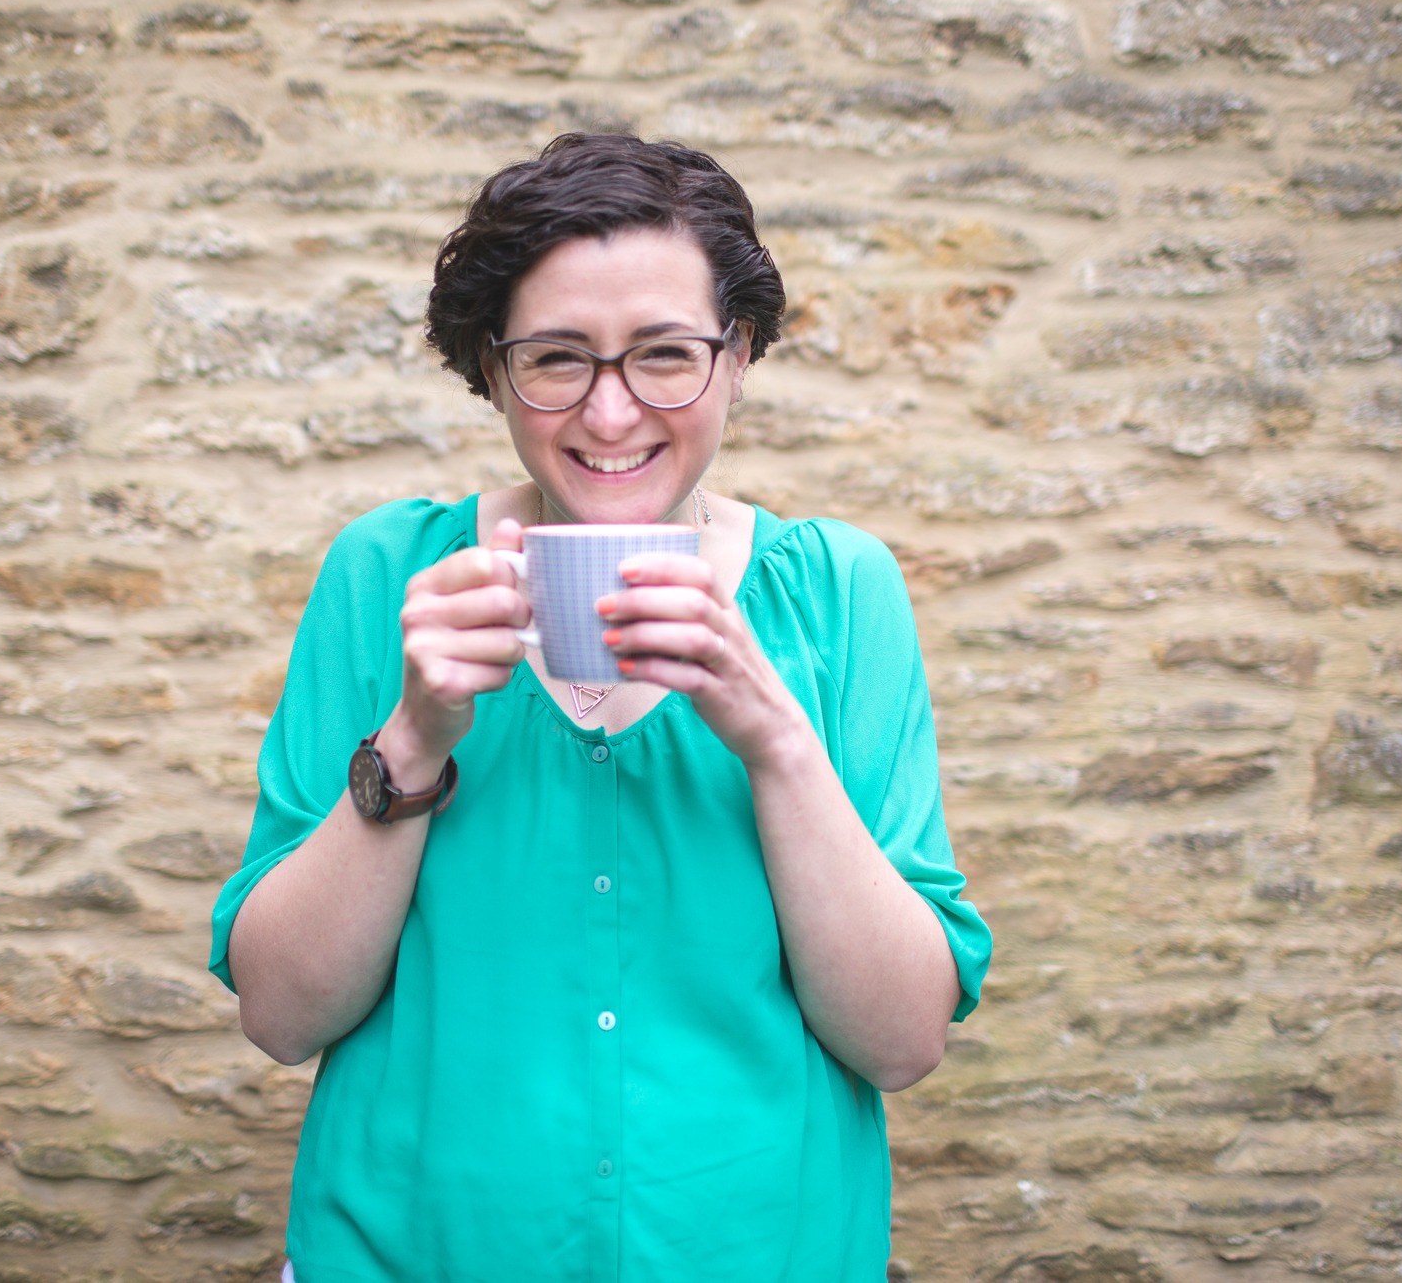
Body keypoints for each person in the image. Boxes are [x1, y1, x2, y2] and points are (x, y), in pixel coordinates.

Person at [209, 132, 992, 1283]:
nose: (611, 414)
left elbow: (901, 1041)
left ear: (738, 356)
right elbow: (281, 1017)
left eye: (665, 355)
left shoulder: (836, 591)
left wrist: (777, 744)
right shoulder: (384, 576)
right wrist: (414, 738)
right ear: (491, 369)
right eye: (555, 359)